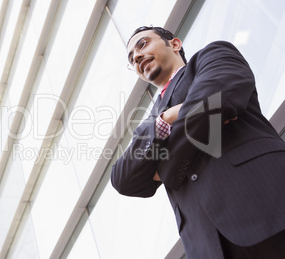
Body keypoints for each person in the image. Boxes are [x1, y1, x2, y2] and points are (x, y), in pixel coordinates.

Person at [111, 25, 285, 258]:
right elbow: (122, 180)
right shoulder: (149, 125)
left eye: (142, 44)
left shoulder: (212, 56)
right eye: (132, 58)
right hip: (208, 246)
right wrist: (166, 119)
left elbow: (213, 105)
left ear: (174, 44)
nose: (137, 56)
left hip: (265, 205)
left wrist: (162, 168)